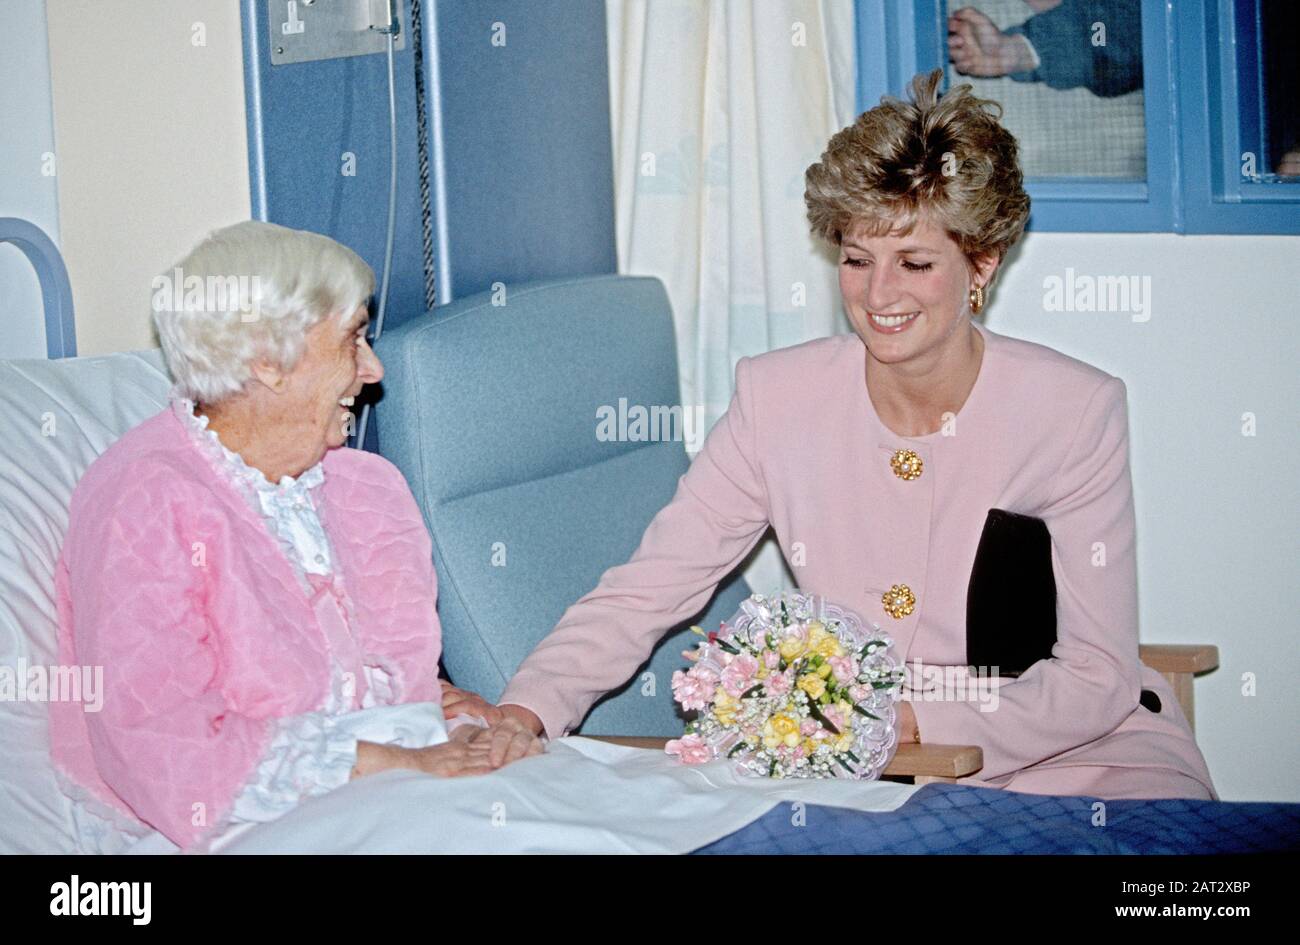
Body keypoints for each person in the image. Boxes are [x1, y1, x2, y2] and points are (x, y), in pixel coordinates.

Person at [483, 70, 1218, 802]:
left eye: (916, 263)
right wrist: (526, 710)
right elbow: (647, 588)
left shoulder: (1074, 410)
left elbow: (1098, 676)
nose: (878, 295)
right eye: (857, 261)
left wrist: (909, 720)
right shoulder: (777, 400)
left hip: (1088, 756)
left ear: (981, 264)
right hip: (887, 771)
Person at [50, 221, 541, 852]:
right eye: (354, 339)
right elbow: (165, 751)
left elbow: (377, 689)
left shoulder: (367, 490)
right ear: (266, 362)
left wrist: (463, 725)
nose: (374, 369)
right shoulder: (144, 500)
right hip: (219, 827)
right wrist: (401, 761)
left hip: (385, 801)